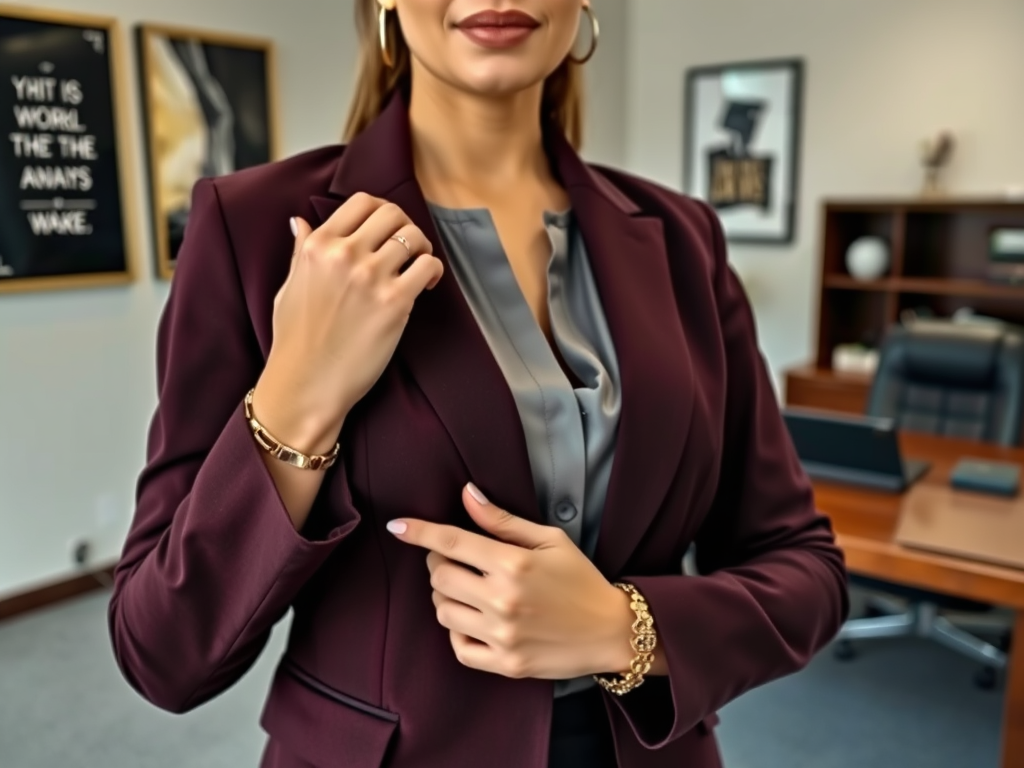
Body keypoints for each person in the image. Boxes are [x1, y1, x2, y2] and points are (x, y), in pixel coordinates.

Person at [108, 1, 849, 767]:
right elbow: (162, 651)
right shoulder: (253, 227)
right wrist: (303, 391)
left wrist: (625, 628)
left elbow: (804, 570)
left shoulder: (686, 240)